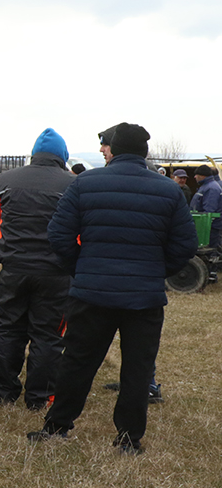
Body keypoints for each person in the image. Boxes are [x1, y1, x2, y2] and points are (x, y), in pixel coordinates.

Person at [29, 123, 196, 454]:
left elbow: (59, 235)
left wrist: (81, 268)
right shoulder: (168, 189)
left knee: (77, 360)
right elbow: (185, 244)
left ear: (114, 150)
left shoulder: (86, 183)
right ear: (145, 153)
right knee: (137, 368)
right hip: (144, 296)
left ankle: (57, 426)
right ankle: (129, 439)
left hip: (93, 291)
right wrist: (157, 272)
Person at [0, 129, 75, 410]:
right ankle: (40, 397)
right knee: (48, 335)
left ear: (34, 154)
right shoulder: (73, 183)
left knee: (7, 329)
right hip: (55, 273)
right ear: (62, 156)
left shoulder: (8, 178)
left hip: (14, 268)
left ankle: (2, 391)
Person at [190, 165, 221, 249]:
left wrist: (205, 224)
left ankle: (212, 258)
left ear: (203, 175)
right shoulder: (206, 186)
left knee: (211, 249)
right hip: (207, 226)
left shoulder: (211, 188)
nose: (195, 177)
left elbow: (210, 210)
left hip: (210, 228)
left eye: (196, 174)